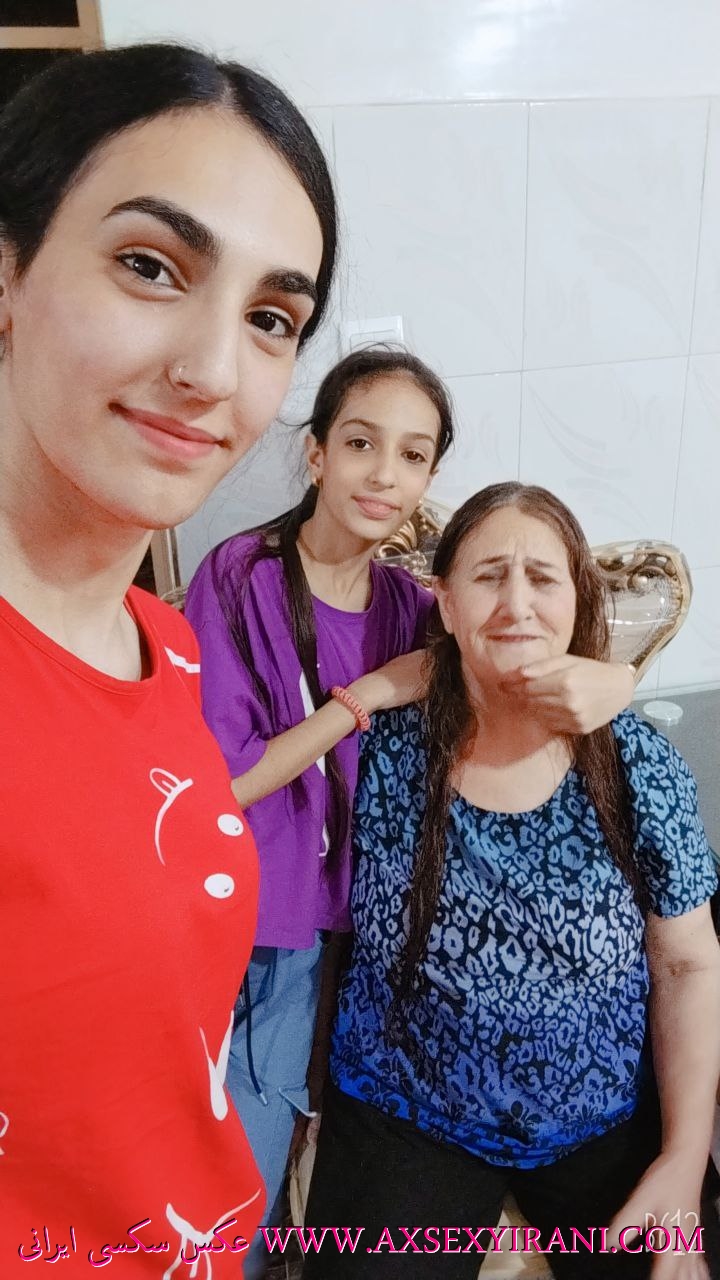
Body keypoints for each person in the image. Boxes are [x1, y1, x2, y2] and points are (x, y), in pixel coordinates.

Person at [0, 42, 336, 1276]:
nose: (212, 372)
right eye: (150, 265)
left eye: (270, 319)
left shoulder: (166, 645)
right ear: (8, 269)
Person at [185, 366, 638, 1274]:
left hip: (362, 939)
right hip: (261, 928)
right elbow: (222, 787)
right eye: (361, 443)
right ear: (317, 453)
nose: (385, 474)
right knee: (234, 1188)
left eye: (414, 455)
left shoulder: (408, 604)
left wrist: (618, 678)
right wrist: (367, 697)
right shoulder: (241, 577)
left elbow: (515, 657)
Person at [304, 482, 720, 1280]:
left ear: (577, 599)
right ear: (445, 601)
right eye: (490, 576)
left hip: (601, 1114)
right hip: (405, 1109)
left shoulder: (638, 764)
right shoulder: (378, 748)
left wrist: (683, 1157)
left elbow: (687, 964)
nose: (517, 603)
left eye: (543, 578)